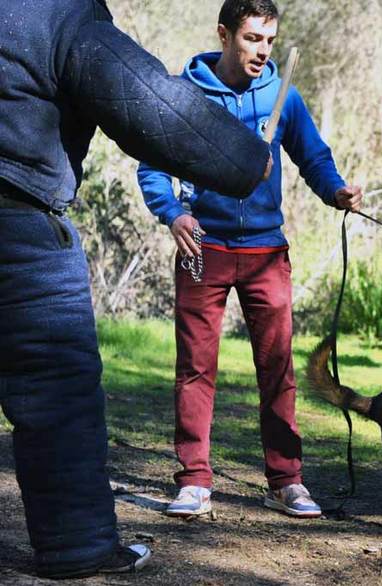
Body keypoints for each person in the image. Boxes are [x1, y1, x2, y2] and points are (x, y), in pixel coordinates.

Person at [0, 0, 273, 578]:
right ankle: (77, 547)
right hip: (16, 225)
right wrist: (247, 159)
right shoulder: (54, 13)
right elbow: (146, 100)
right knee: (57, 392)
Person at [137, 0, 363, 520]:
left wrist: (337, 193)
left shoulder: (284, 96)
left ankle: (287, 481)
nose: (262, 51)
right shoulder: (185, 94)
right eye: (251, 39)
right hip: (203, 250)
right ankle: (194, 481)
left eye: (269, 40)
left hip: (266, 251)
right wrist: (172, 213)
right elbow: (151, 164)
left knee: (277, 367)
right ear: (224, 34)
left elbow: (315, 158)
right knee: (195, 367)